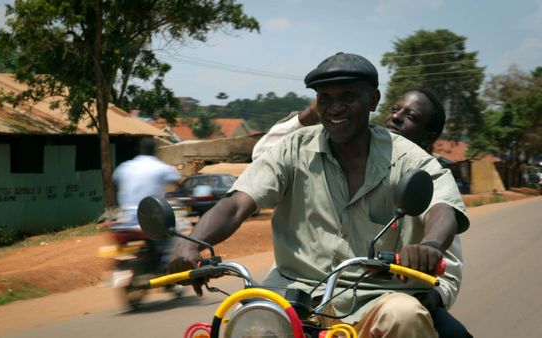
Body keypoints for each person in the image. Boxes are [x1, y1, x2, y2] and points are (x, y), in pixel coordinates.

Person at [168, 52, 469, 338]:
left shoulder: (408, 157)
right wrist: (192, 242)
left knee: (405, 315)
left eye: (348, 97)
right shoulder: (292, 148)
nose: (335, 108)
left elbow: (441, 209)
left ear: (373, 100)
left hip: (376, 297)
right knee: (246, 323)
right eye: (325, 98)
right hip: (291, 294)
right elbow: (236, 203)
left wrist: (429, 246)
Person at [252, 89, 444, 160]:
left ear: (428, 138)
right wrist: (311, 114)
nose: (395, 117)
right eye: (394, 110)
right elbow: (261, 154)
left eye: (410, 116)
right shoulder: (356, 153)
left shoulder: (428, 178)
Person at [113, 137, 182, 262]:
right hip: (150, 221)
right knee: (176, 235)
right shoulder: (161, 167)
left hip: (125, 221)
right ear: (155, 150)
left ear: (140, 150)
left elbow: (116, 179)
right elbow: (178, 181)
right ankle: (168, 266)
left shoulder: (125, 166)